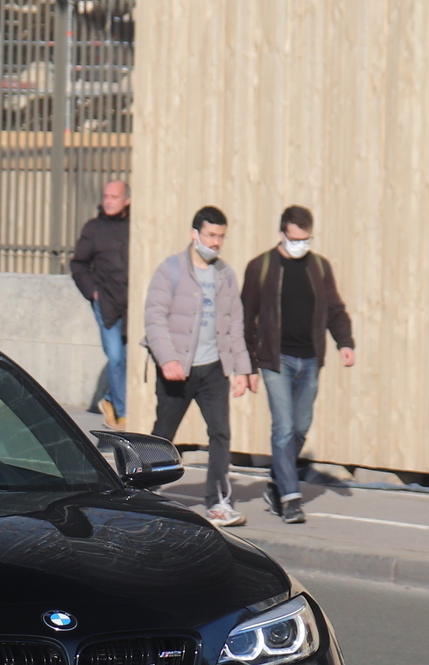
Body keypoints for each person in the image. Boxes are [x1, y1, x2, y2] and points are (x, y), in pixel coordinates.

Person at [142, 205, 256, 527]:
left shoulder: (225, 275)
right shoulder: (171, 270)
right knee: (163, 436)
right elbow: (154, 318)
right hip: (178, 370)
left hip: (213, 369)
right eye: (210, 235)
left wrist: (241, 369)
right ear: (195, 234)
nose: (216, 242)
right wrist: (168, 360)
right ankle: (141, 492)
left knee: (220, 433)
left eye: (220, 236)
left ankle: (219, 502)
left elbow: (235, 322)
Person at [241, 205, 356, 524]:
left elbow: (335, 310)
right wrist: (248, 365)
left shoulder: (319, 268)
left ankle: (277, 481)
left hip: (310, 359)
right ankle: (291, 498)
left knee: (301, 426)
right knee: (284, 426)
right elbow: (245, 317)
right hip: (276, 360)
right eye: (295, 239)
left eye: (306, 239)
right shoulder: (260, 267)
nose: (300, 245)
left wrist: (344, 343)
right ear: (282, 234)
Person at [70, 178, 131, 423]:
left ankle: (108, 398)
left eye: (114, 197)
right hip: (106, 302)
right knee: (115, 357)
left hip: (131, 304)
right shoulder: (93, 229)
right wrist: (93, 291)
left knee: (127, 359)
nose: (108, 201)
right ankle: (124, 414)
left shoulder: (135, 226)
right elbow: (78, 264)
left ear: (127, 200)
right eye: (106, 196)